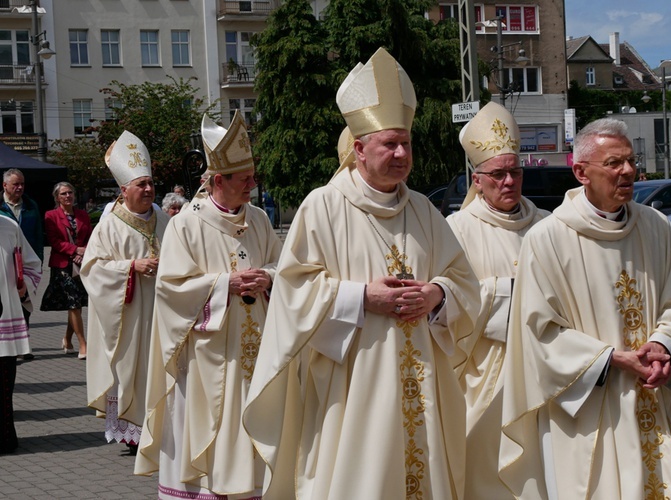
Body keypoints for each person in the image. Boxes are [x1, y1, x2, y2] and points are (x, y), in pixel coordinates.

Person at [245, 47, 480, 499]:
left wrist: (436, 294)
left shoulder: (424, 212)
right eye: (389, 143)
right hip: (352, 384)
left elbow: (462, 280)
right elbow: (294, 291)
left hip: (422, 381)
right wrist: (361, 297)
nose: (400, 153)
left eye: (405, 143)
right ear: (358, 149)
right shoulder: (324, 206)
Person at [498, 118, 671, 499]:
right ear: (580, 172)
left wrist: (663, 344)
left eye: (630, 161)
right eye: (613, 163)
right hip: (585, 409)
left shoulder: (654, 226)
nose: (627, 171)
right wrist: (611, 359)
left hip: (648, 396)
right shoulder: (548, 239)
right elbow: (538, 333)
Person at [135, 112, 282, 499]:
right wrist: (224, 284)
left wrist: (268, 277)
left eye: (253, 175)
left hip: (256, 352)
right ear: (218, 180)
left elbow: (285, 269)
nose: (253, 184)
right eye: (244, 178)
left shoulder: (260, 220)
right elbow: (170, 289)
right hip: (206, 358)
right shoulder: (187, 224)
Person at [445, 101, 549, 499]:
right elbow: (448, 302)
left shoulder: (547, 225)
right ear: (476, 180)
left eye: (515, 172)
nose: (509, 181)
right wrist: (509, 294)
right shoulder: (455, 231)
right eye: (498, 174)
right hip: (481, 375)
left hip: (541, 371)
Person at [80, 131, 170, 455]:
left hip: (161, 313)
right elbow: (91, 269)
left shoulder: (164, 219)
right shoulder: (109, 226)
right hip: (129, 318)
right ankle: (134, 435)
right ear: (124, 190)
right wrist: (132, 267)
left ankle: (160, 428)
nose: (148, 189)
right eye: (141, 185)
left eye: (150, 183)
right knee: (132, 369)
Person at [0, 216, 41, 454]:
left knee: (4, 384)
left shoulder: (9, 226)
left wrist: (24, 285)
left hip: (4, 317)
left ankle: (5, 438)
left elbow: (32, 264)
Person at [40, 182, 92, 360]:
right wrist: (74, 250)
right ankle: (83, 344)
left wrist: (83, 251)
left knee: (75, 304)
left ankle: (67, 339)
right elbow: (54, 241)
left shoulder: (83, 215)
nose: (68, 196)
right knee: (74, 303)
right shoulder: (51, 215)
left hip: (80, 264)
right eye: (63, 194)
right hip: (62, 265)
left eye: (70, 192)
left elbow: (91, 237)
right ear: (57, 198)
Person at [1, 168, 44, 360]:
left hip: (19, 267)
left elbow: (37, 236)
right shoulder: (1, 206)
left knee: (23, 306)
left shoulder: (30, 206)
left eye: (22, 184)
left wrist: (36, 265)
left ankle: (21, 344)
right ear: (4, 186)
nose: (19, 188)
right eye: (15, 184)